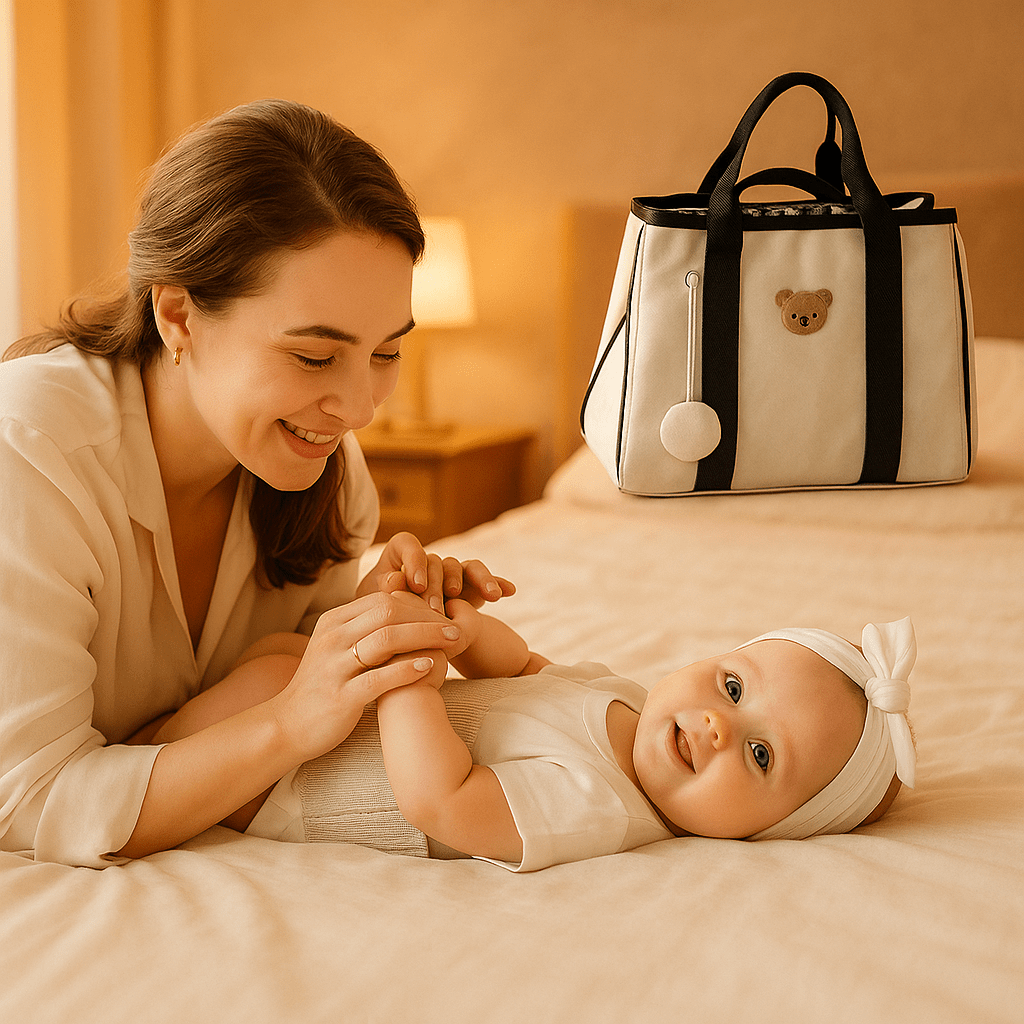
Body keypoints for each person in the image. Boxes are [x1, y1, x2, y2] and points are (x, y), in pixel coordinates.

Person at [0, 99, 513, 868]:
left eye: (385, 353)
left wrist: (366, 630)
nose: (360, 408)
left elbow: (263, 691)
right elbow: (29, 801)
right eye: (314, 357)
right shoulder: (30, 448)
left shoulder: (325, 473)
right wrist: (290, 724)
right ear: (178, 316)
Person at [151, 586, 916, 872]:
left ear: (771, 832)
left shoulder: (599, 809)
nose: (719, 725)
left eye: (758, 754)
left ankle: (141, 750)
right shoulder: (626, 700)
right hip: (343, 721)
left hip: (300, 785)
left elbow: (439, 799)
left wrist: (411, 666)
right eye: (734, 685)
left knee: (258, 683)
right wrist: (459, 624)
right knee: (282, 653)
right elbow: (525, 675)